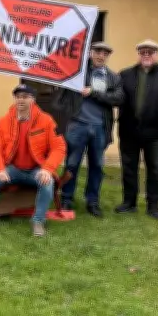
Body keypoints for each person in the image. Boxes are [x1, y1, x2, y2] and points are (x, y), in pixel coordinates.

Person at [0, 84, 65, 237]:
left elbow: (59, 147)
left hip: (36, 169)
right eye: (18, 97)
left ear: (33, 99)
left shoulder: (46, 121)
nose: (21, 100)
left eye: (25, 97)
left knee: (48, 182)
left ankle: (38, 220)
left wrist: (47, 169)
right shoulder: (4, 121)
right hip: (13, 169)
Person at [116, 40, 158, 219]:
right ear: (138, 54)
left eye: (151, 51)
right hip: (129, 130)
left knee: (154, 169)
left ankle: (153, 205)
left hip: (155, 133)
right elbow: (117, 96)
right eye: (142, 51)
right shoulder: (124, 74)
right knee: (129, 168)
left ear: (157, 54)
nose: (146, 54)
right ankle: (129, 202)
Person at [54, 41, 124, 217]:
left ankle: (92, 201)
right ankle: (66, 198)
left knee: (97, 166)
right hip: (78, 125)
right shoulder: (78, 72)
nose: (101, 56)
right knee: (71, 163)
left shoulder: (113, 77)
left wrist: (94, 93)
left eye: (105, 53)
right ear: (90, 53)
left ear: (108, 57)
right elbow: (61, 85)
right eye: (98, 52)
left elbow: (118, 98)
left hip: (100, 127)